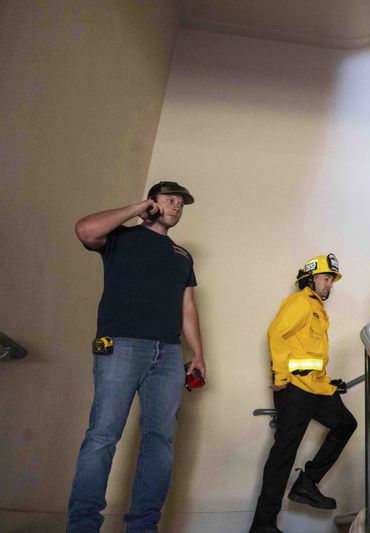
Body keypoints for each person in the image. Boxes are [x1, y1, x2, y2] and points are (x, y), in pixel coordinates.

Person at [67, 181, 206, 533]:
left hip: (169, 355)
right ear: (153, 202)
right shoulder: (120, 237)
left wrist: (198, 353)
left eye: (181, 203)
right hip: (121, 347)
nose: (176, 207)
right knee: (102, 435)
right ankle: (82, 525)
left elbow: (187, 308)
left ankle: (143, 526)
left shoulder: (182, 256)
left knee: (159, 440)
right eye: (169, 200)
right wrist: (135, 209)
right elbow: (84, 229)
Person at [251, 254, 357, 533]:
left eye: (332, 280)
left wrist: (331, 384)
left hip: (314, 388)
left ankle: (307, 483)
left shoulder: (318, 311)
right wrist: (280, 377)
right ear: (310, 279)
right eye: (326, 278)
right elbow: (275, 334)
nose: (330, 284)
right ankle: (263, 526)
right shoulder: (299, 303)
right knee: (283, 454)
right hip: (295, 390)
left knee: (346, 424)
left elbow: (310, 358)